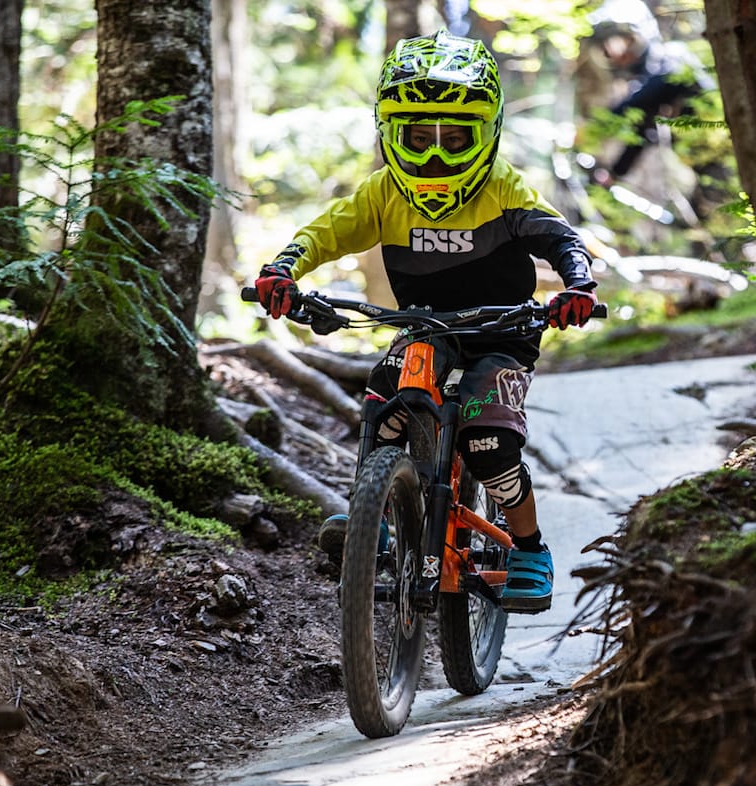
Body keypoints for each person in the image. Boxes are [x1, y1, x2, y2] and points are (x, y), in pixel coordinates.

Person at [254, 30, 599, 614]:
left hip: (503, 335)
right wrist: (283, 271)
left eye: (453, 138)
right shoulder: (383, 192)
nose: (435, 156)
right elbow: (325, 232)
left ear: (485, 135)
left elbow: (562, 239)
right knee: (387, 395)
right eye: (419, 137)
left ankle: (530, 546)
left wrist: (578, 287)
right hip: (425, 329)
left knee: (488, 441)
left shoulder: (503, 188)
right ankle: (376, 516)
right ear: (391, 134)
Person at [585, 0, 714, 188]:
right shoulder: (644, 80)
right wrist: (615, 174)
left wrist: (595, 127)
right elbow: (643, 131)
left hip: (725, 152)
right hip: (702, 165)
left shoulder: (673, 58)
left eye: (613, 42)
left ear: (633, 36)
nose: (609, 54)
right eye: (604, 48)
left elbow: (649, 94)